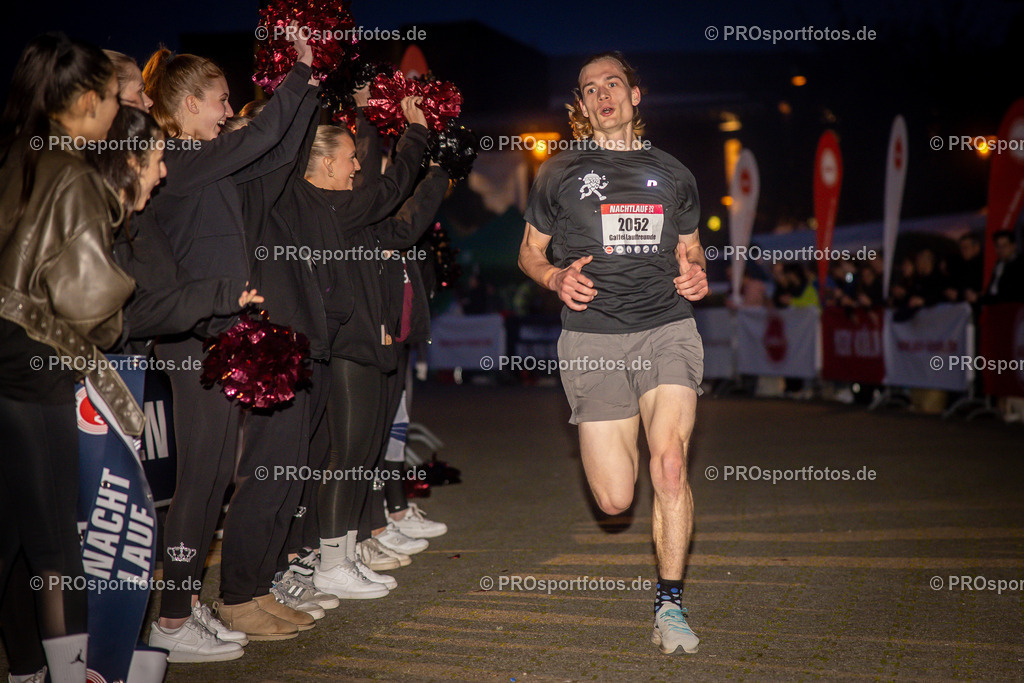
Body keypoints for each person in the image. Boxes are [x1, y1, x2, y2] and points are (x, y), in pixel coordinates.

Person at [518, 51, 707, 655]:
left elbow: (693, 252)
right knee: (616, 499)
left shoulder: (675, 173)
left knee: (670, 465)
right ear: (581, 105)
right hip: (592, 338)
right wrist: (553, 280)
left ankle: (670, 604)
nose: (602, 95)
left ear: (634, 95)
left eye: (612, 84)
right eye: (589, 88)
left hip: (665, 328)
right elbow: (529, 253)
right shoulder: (558, 173)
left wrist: (697, 274)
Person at [138, 34, 320, 659]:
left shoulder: (206, 160)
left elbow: (273, 154)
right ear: (188, 104)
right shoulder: (181, 161)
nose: (227, 110)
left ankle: (188, 607)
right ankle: (171, 620)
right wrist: (296, 71)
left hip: (219, 332)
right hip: (191, 339)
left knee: (213, 477)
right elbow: (259, 137)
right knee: (201, 480)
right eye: (219, 100)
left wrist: (311, 89)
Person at [0, 33, 132, 683]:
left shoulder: (9, 152)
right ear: (84, 101)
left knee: (10, 535)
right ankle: (68, 670)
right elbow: (89, 303)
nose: (117, 110)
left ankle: (25, 668)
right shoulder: (72, 171)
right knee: (55, 541)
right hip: (33, 362)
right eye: (111, 98)